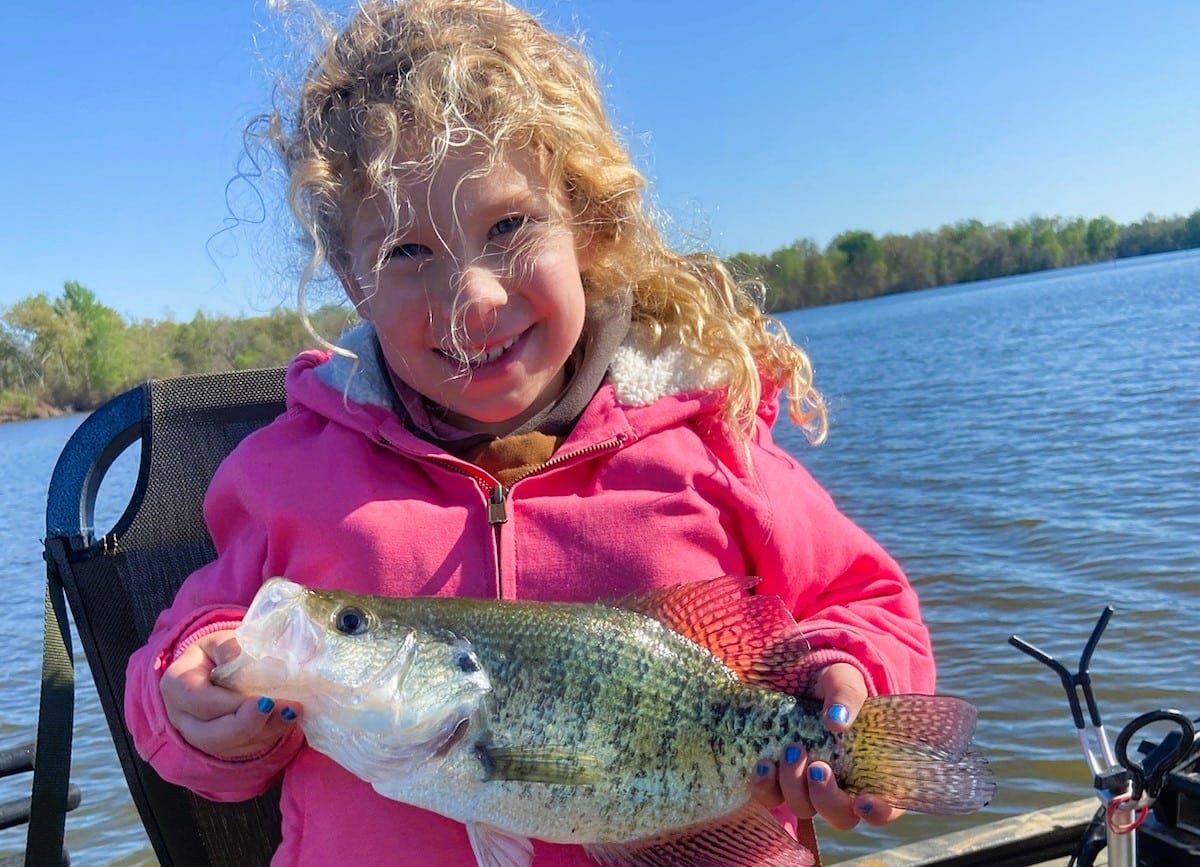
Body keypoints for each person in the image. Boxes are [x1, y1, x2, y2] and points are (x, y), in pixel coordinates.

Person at [125, 1, 936, 864]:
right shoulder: (289, 478)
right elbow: (204, 639)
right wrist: (197, 700)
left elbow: (866, 603)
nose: (470, 295)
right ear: (352, 281)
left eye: (508, 226)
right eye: (407, 251)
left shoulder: (709, 445)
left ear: (584, 225)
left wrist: (849, 682)